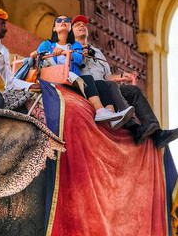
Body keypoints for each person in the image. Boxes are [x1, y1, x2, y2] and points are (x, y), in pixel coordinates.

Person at [71, 15, 178, 148]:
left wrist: (123, 76)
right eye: (77, 25)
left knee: (133, 90)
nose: (82, 26)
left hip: (104, 86)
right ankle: (133, 128)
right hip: (88, 88)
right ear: (71, 31)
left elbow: (107, 77)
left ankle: (158, 134)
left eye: (84, 25)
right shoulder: (69, 49)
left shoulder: (97, 52)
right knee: (110, 85)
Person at [36, 16, 133, 127]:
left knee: (101, 83)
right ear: (54, 28)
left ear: (69, 27)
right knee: (88, 78)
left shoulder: (75, 45)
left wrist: (65, 52)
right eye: (59, 21)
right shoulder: (46, 44)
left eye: (66, 21)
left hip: (70, 76)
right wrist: (48, 53)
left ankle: (111, 115)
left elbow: (78, 60)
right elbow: (37, 57)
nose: (63, 22)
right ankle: (100, 111)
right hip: (53, 75)